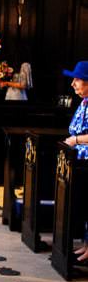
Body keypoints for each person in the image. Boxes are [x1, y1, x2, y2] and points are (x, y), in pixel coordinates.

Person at [62, 61, 88, 262]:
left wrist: (76, 140)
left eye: (77, 79)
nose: (73, 84)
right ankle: (86, 246)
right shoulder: (84, 101)